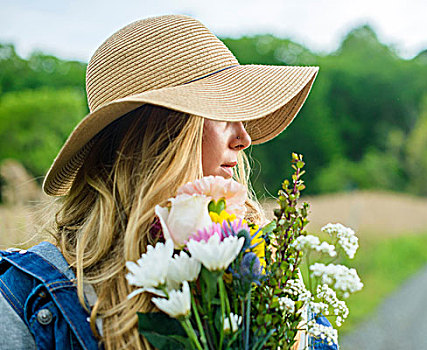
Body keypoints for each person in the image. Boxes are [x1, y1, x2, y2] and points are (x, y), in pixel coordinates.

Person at [0, 15, 321, 349]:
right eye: (223, 112)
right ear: (161, 137)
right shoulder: (27, 301)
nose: (244, 138)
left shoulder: (269, 271)